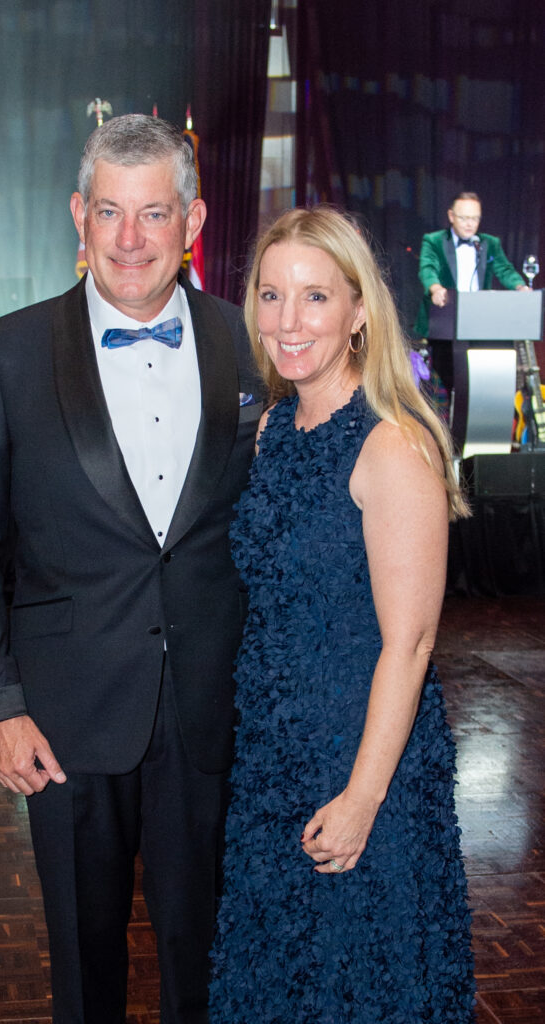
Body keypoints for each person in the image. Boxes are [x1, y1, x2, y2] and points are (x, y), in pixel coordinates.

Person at [0, 114, 262, 1024]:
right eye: (111, 213)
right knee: (84, 970)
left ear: (193, 222)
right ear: (78, 216)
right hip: (65, 721)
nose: (131, 240)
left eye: (154, 214)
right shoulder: (6, 353)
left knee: (205, 959)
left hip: (209, 712)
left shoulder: (247, 345)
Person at [208, 207, 476, 1023]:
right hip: (270, 767)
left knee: (359, 983)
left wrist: (362, 798)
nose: (289, 322)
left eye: (316, 298)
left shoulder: (392, 445)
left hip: (363, 765)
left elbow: (412, 641)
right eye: (270, 295)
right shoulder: (274, 429)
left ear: (359, 311)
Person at [414, 190, 527, 337]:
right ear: (451, 216)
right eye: (464, 218)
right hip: (443, 317)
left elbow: (505, 270)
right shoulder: (434, 240)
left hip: (479, 318)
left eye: (475, 219)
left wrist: (520, 286)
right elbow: (427, 269)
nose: (470, 224)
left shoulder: (490, 243)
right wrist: (436, 289)